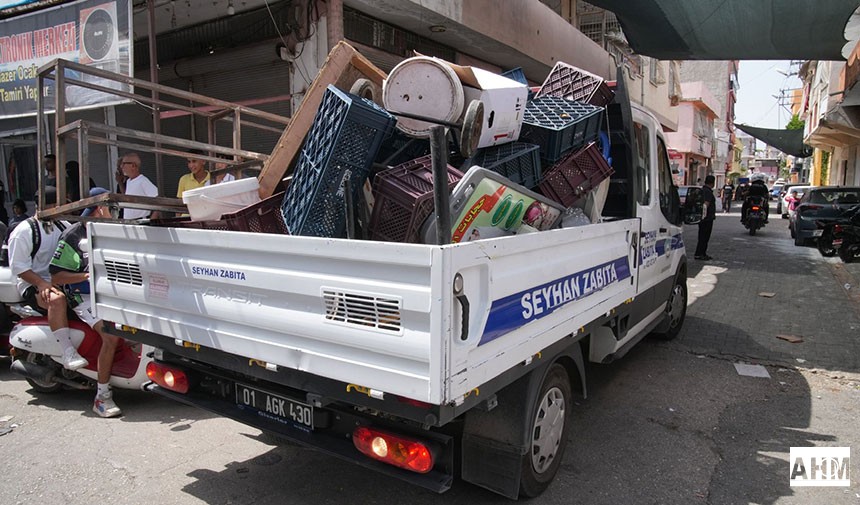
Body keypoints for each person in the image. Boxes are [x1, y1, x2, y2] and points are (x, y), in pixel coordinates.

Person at [50, 187, 122, 417]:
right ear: (100, 209)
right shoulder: (73, 236)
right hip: (84, 296)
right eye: (111, 208)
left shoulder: (111, 231)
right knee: (111, 335)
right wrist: (88, 276)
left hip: (112, 292)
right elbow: (57, 276)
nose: (115, 212)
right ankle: (102, 397)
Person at [7, 187, 86, 370]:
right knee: (57, 300)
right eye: (57, 205)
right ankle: (67, 352)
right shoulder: (24, 231)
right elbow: (19, 267)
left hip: (60, 279)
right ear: (46, 206)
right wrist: (42, 283)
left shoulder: (63, 225)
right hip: (32, 283)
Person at [120, 152, 158, 219]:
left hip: (140, 222)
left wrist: (152, 219)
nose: (121, 166)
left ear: (133, 166)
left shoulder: (143, 181)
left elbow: (158, 198)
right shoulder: (128, 181)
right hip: (129, 223)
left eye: (124, 163)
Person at [694, 175, 716, 261]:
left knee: (703, 237)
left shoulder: (703, 190)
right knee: (704, 237)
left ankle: (701, 253)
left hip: (704, 218)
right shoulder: (707, 192)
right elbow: (705, 205)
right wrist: (704, 216)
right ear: (712, 183)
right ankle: (700, 253)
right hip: (706, 219)